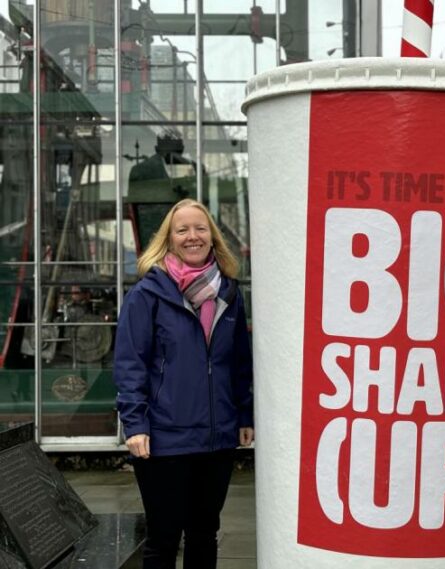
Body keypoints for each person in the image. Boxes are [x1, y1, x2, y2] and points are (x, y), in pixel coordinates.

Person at [114, 199, 253, 569]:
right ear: (169, 239)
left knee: (205, 533)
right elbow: (130, 364)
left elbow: (239, 362)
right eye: (182, 230)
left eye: (200, 228)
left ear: (212, 236)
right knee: (163, 538)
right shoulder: (147, 295)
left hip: (217, 437)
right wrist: (135, 424)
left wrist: (244, 415)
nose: (193, 236)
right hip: (164, 438)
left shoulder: (230, 294)